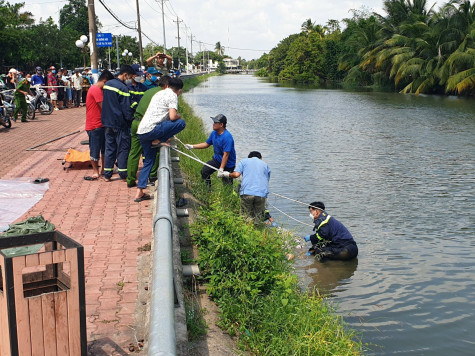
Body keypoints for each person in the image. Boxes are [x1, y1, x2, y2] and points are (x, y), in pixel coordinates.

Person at [134, 77, 185, 201]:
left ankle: (139, 191)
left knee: (149, 161)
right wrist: (179, 116)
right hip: (152, 130)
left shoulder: (160, 93)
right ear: (179, 90)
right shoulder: (172, 95)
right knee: (181, 123)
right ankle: (159, 139)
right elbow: (172, 117)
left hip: (142, 131)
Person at [126, 76, 170, 189]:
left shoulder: (149, 90)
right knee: (155, 149)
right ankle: (152, 176)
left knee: (134, 152)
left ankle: (130, 180)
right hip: (147, 125)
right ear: (167, 86)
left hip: (136, 123)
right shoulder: (164, 95)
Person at [101, 64, 136, 182]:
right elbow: (126, 108)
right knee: (123, 147)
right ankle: (123, 173)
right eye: (129, 77)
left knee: (110, 147)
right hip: (120, 123)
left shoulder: (108, 85)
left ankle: (107, 174)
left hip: (107, 122)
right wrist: (131, 119)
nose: (130, 80)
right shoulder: (123, 88)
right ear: (125, 75)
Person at [185, 114, 236, 190]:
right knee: (205, 171)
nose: (213, 124)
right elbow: (206, 144)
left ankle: (228, 198)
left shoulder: (227, 137)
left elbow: (226, 154)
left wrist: (221, 169)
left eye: (215, 122)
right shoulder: (214, 133)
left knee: (227, 186)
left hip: (228, 164)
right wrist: (192, 146)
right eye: (213, 122)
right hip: (217, 159)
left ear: (221, 125)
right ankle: (208, 190)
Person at [222, 151, 271, 222]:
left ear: (249, 157)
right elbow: (266, 180)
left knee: (245, 217)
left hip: (247, 192)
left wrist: (227, 174)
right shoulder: (266, 165)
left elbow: (236, 175)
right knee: (257, 218)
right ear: (261, 158)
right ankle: (256, 230)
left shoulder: (244, 161)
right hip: (261, 194)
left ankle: (247, 230)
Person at [84, 69, 115, 181]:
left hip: (101, 124)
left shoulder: (98, 89)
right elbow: (104, 107)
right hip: (94, 125)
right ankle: (95, 171)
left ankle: (103, 169)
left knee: (105, 149)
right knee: (95, 149)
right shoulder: (96, 90)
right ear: (105, 81)